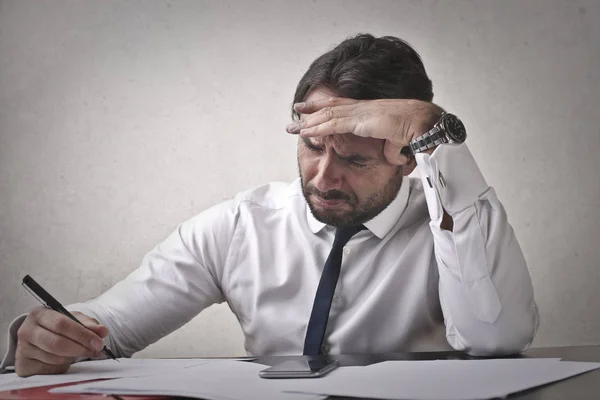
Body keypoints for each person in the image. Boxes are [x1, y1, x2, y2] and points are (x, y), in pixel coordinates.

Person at [2, 34, 539, 377]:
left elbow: (495, 338)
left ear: (407, 159)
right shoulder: (240, 226)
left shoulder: (450, 224)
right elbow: (109, 327)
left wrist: (434, 135)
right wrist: (54, 334)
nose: (324, 177)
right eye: (311, 146)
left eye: (354, 159)